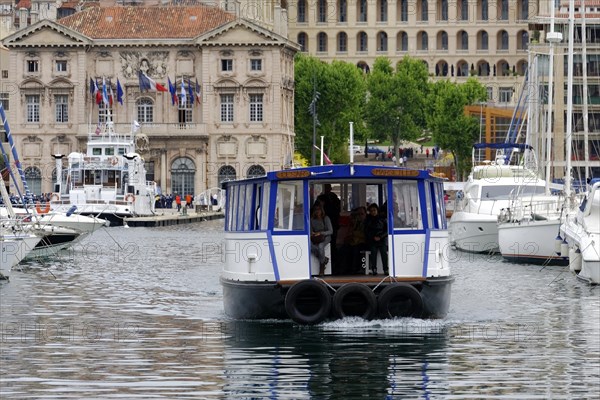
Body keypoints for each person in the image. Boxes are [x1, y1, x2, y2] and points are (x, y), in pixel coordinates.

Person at [364, 203, 388, 275]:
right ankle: (374, 268)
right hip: (372, 240)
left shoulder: (382, 219)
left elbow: (387, 231)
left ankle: (385, 269)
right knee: (373, 253)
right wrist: (372, 237)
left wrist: (380, 237)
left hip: (382, 239)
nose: (373, 212)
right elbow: (366, 231)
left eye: (374, 210)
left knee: (384, 253)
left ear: (377, 210)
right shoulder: (368, 220)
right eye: (371, 211)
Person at [310, 204, 333, 275]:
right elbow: (310, 231)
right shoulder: (312, 219)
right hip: (316, 236)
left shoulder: (325, 218)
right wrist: (313, 234)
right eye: (315, 210)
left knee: (320, 246)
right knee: (309, 245)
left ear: (321, 210)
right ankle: (324, 259)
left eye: (319, 209)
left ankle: (322, 267)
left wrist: (321, 233)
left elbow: (331, 231)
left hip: (325, 236)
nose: (317, 211)